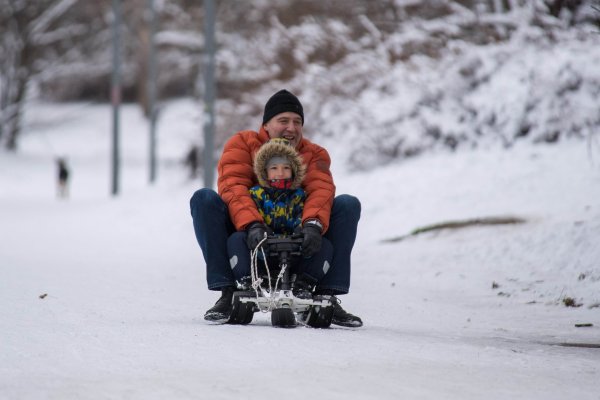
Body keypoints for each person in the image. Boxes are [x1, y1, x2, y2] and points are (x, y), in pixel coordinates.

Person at [190, 89, 362, 327]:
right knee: (204, 199)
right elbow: (232, 185)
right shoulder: (242, 143)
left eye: (297, 122)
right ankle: (228, 292)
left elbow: (321, 191)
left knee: (347, 204)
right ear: (267, 125)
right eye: (283, 121)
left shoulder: (313, 154)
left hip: (300, 242)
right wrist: (252, 224)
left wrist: (313, 224)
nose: (291, 127)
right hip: (248, 243)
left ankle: (326, 295)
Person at [226, 137, 334, 298]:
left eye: (286, 168)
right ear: (265, 171)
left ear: (294, 170)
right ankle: (248, 280)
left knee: (324, 245)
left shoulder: (299, 196)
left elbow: (302, 214)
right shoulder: (256, 194)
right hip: (264, 250)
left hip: (294, 250)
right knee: (236, 239)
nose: (280, 173)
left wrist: (302, 229)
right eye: (274, 168)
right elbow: (250, 212)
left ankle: (304, 283)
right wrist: (258, 228)